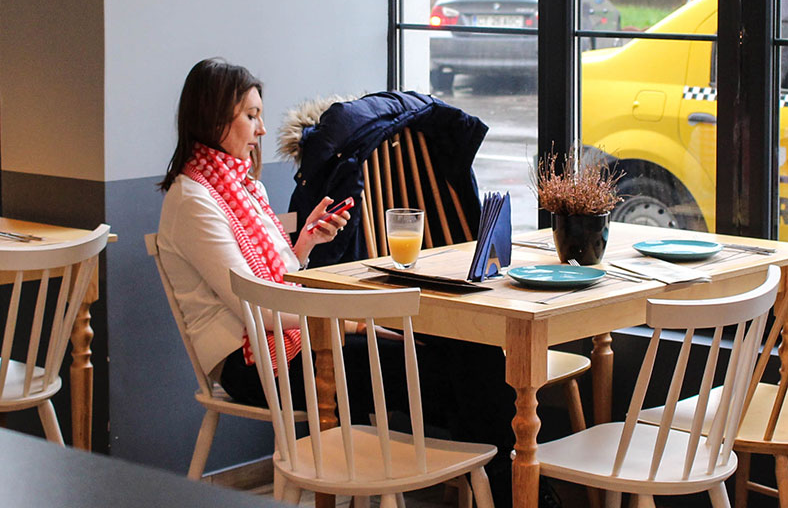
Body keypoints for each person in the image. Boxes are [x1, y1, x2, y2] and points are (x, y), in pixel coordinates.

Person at [155, 58, 534, 506]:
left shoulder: (239, 186)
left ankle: (498, 481)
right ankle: (507, 487)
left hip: (291, 339)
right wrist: (351, 321)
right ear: (215, 117)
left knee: (467, 354)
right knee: (455, 370)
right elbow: (258, 308)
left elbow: (273, 281)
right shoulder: (194, 199)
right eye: (251, 115)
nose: (261, 129)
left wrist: (304, 244)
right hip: (251, 364)